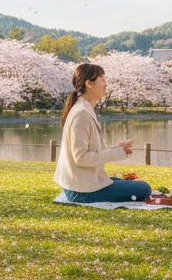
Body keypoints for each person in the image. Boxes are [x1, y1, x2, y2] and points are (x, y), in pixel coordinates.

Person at [53, 62, 152, 203]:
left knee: (128, 182)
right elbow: (81, 158)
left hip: (84, 184)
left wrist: (118, 149)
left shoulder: (85, 109)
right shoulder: (81, 113)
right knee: (144, 188)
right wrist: (115, 153)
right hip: (80, 191)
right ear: (89, 83)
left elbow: (90, 152)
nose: (106, 84)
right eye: (102, 79)